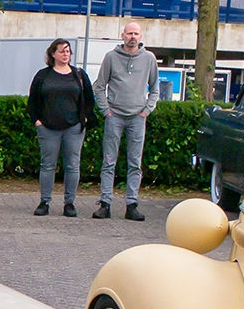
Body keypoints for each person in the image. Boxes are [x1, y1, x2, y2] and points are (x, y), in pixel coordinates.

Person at [93, 22, 160, 221]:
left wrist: (146, 111)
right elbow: (99, 86)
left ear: (141, 36)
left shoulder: (149, 59)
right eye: (129, 33)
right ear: (122, 35)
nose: (133, 36)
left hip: (137, 118)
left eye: (136, 33)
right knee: (108, 161)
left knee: (134, 163)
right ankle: (105, 203)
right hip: (115, 117)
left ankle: (132, 204)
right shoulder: (111, 58)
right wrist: (106, 111)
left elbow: (155, 88)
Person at [26, 39, 95, 218]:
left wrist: (84, 118)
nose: (66, 54)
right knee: (47, 165)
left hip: (73, 127)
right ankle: (45, 201)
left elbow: (89, 99)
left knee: (72, 165)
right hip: (48, 127)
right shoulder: (43, 76)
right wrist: (37, 121)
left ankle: (69, 203)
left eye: (68, 51)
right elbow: (32, 101)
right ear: (53, 54)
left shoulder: (78, 75)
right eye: (62, 51)